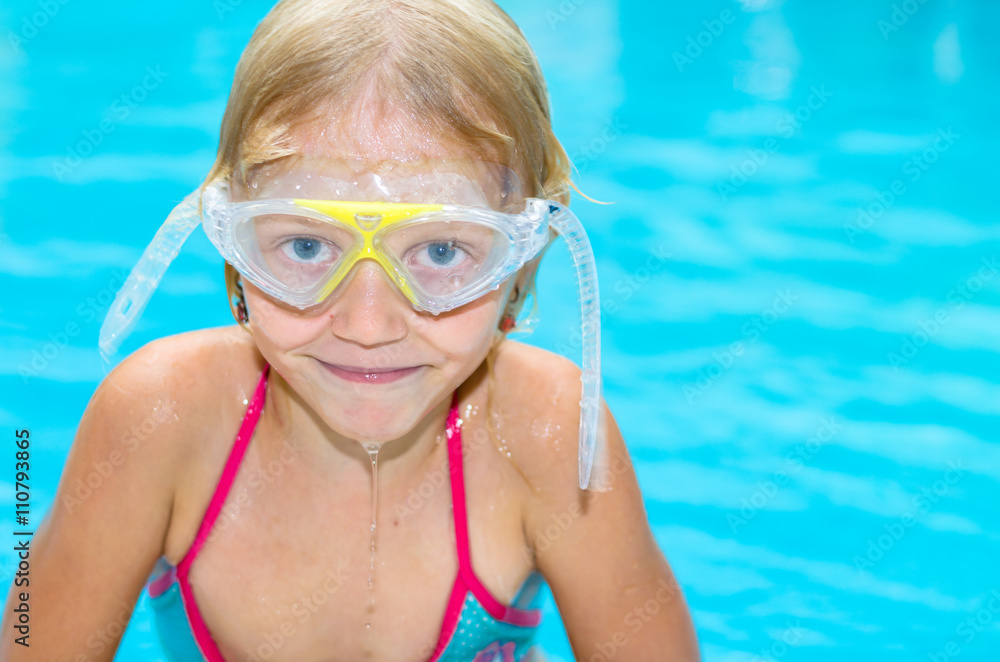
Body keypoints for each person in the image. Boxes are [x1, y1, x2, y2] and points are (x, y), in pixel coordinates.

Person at [0, 0, 700, 660]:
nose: (368, 325)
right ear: (234, 249)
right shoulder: (158, 419)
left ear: (519, 267)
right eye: (306, 246)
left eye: (441, 251)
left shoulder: (547, 434)